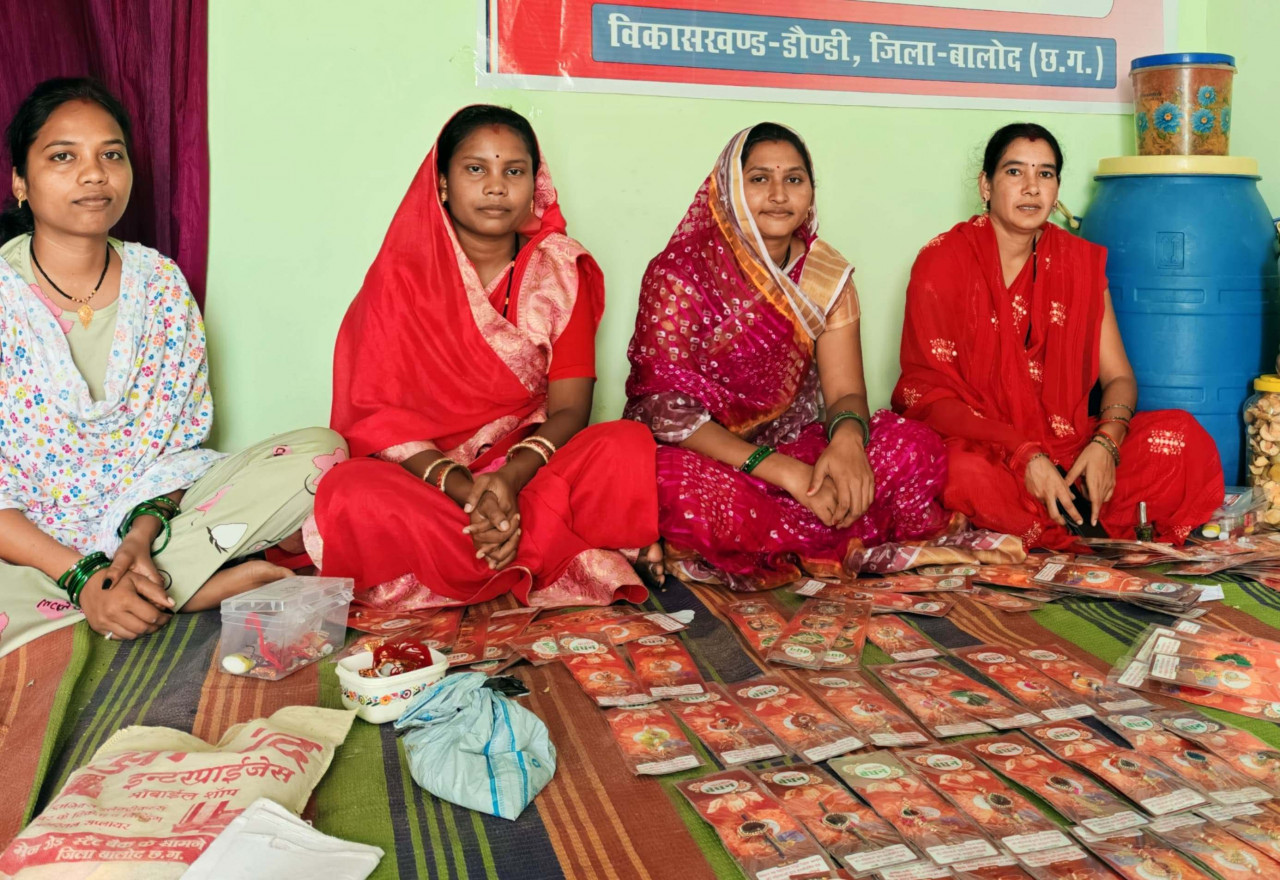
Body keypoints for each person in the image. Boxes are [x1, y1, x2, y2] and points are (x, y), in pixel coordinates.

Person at [0, 78, 345, 656]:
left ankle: (139, 583)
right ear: (20, 182)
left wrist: (139, 536)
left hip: (148, 524)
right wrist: (80, 573)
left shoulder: (159, 283)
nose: (94, 174)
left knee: (323, 453)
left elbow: (175, 450)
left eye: (111, 155)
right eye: (63, 157)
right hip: (25, 542)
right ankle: (164, 588)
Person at [312, 105, 661, 609]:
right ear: (443, 184)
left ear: (535, 185)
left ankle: (463, 560)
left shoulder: (560, 272)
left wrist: (508, 481)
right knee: (350, 488)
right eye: (476, 169)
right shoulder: (400, 277)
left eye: (513, 171)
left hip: (527, 467)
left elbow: (571, 408)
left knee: (626, 442)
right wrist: (465, 488)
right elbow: (376, 417)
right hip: (429, 479)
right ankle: (538, 549)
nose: (496, 187)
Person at [624, 123, 948, 591]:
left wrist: (847, 442)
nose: (778, 195)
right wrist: (786, 474)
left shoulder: (824, 274)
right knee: (662, 481)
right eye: (759, 179)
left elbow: (846, 392)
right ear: (730, 189)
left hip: (794, 444)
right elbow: (665, 412)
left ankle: (761, 535)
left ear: (811, 191)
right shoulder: (679, 272)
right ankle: (817, 529)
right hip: (707, 456)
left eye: (794, 179)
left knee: (915, 446)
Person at [892, 123, 1222, 549]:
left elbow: (1119, 378)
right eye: (1015, 172)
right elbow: (926, 394)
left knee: (1183, 437)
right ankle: (1064, 527)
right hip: (985, 448)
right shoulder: (942, 262)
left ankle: (1041, 525)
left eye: (1045, 174)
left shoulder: (1076, 264)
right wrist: (1022, 453)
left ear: (1056, 188)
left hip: (1068, 447)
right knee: (957, 473)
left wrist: (1107, 443)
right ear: (986, 185)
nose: (1031, 187)